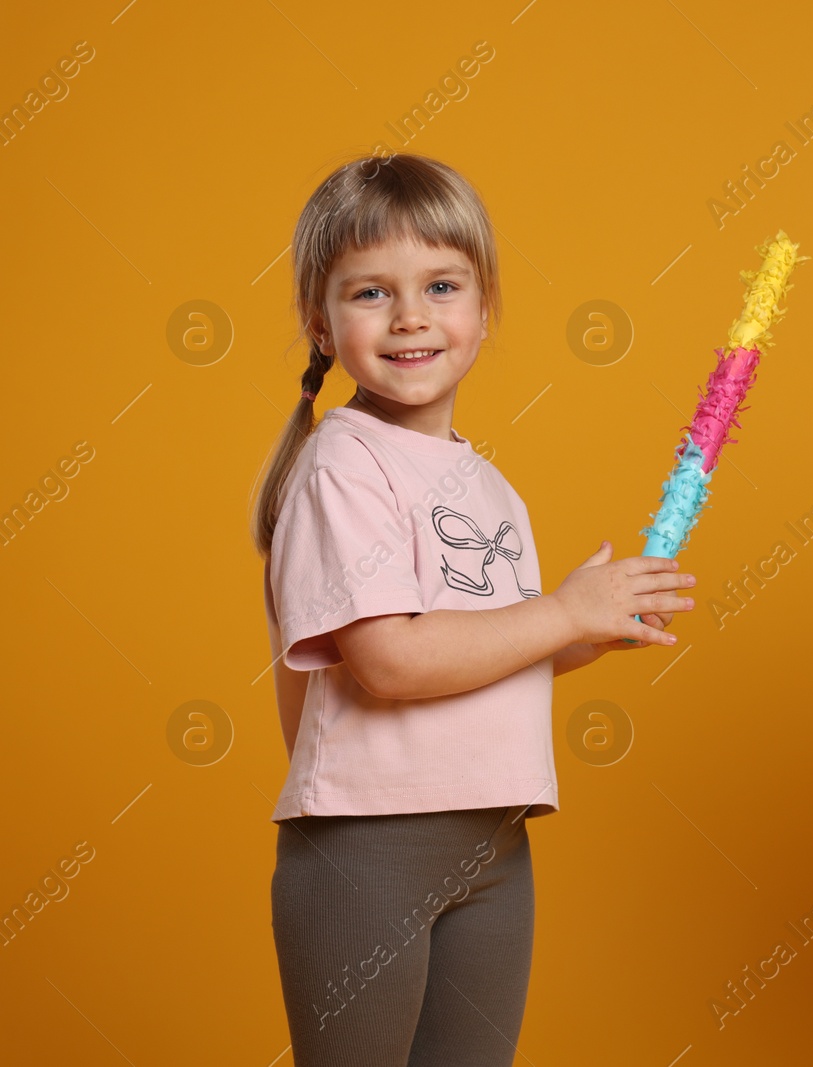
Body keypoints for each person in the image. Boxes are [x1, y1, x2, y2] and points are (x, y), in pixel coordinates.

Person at [247, 152, 696, 1065]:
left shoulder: (483, 481)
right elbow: (392, 661)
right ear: (320, 324)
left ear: (483, 309)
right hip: (368, 846)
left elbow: (487, 651)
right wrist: (562, 613)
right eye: (371, 293)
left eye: (441, 285)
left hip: (491, 841)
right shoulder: (344, 466)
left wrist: (590, 631)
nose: (411, 316)